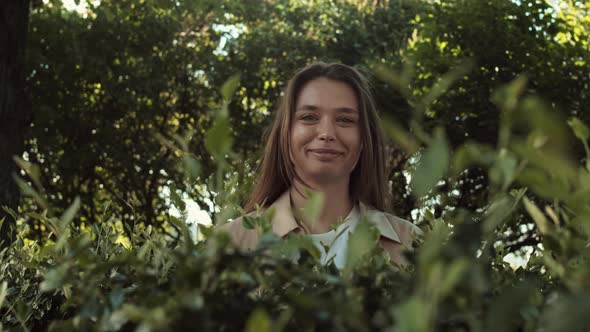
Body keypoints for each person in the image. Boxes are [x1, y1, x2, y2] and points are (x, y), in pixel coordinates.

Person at [220, 62, 421, 268]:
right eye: (309, 117)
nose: (327, 133)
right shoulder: (228, 246)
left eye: (345, 119)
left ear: (364, 139)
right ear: (285, 135)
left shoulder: (413, 245)